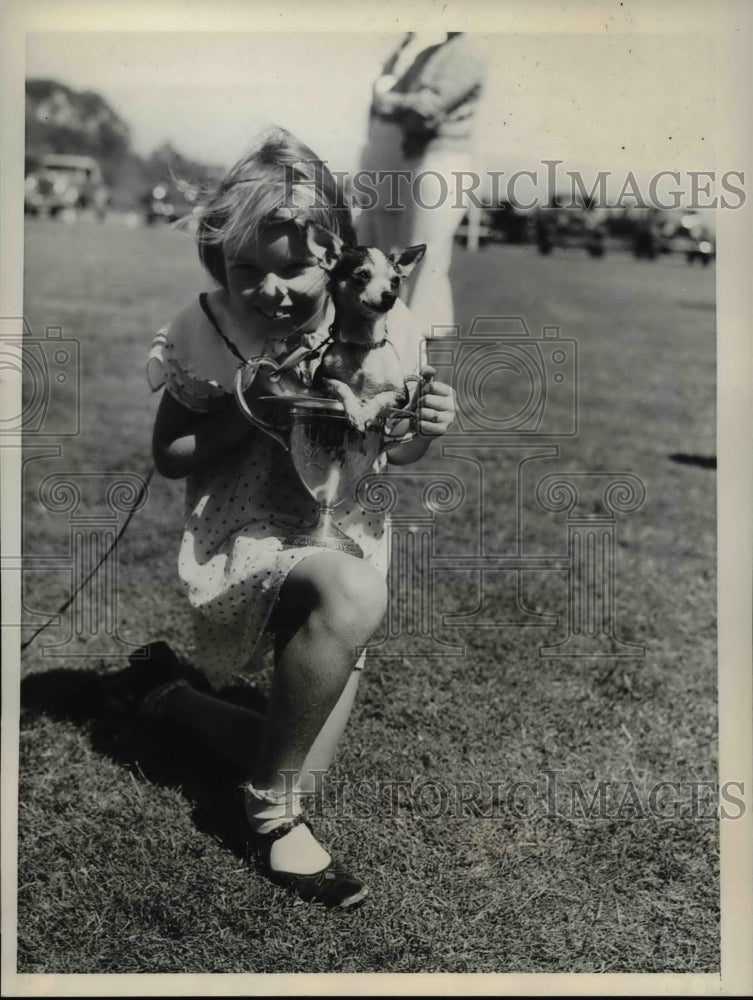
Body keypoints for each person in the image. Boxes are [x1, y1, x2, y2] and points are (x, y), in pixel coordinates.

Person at [126, 127, 455, 910]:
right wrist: (247, 404)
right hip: (249, 533)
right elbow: (172, 454)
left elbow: (396, 453)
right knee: (351, 601)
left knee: (287, 750)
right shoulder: (212, 328)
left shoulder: (385, 323)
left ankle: (168, 694)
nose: (267, 291)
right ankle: (270, 820)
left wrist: (426, 427)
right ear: (218, 265)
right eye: (245, 270)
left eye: (292, 269)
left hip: (342, 531)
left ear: (338, 261)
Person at [356, 32, 487, 334]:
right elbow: (394, 105)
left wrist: (395, 103)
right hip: (419, 159)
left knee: (425, 265)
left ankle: (413, 348)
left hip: (443, 162)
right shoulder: (434, 51)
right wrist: (405, 102)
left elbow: (422, 114)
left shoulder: (468, 50)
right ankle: (409, 348)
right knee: (414, 265)